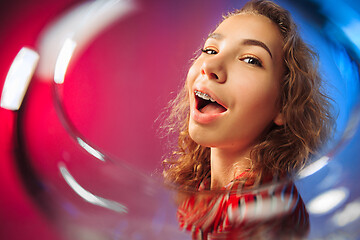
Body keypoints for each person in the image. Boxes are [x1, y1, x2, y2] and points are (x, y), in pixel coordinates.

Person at [162, 0, 333, 239]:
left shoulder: (262, 211)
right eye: (210, 50)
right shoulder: (208, 193)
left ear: (284, 105)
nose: (210, 65)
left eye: (251, 59)